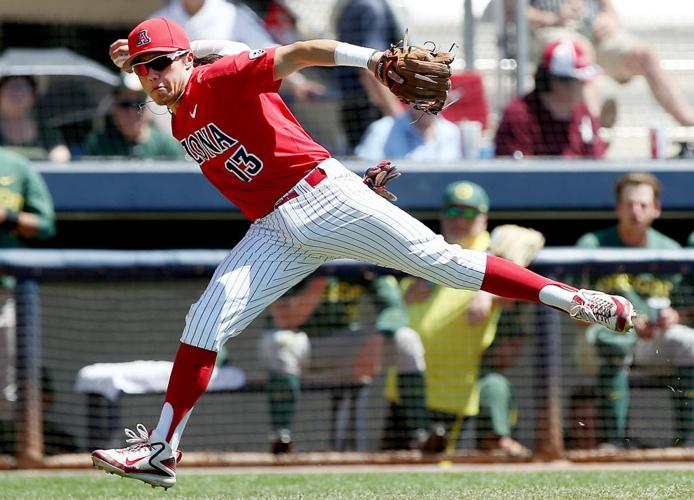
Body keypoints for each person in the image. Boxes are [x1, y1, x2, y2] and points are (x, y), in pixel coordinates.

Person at [91, 17, 634, 489]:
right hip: (275, 229)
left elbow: (301, 52)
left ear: (187, 58)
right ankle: (161, 450)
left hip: (321, 194)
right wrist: (133, 56)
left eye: (162, 62)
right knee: (205, 320)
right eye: (144, 69)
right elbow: (164, 65)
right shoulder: (175, 99)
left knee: (446, 263)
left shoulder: (222, 75)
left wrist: (372, 58)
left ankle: (572, 298)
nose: (153, 75)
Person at [385, 181, 530, 456]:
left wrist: (488, 293)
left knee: (441, 477)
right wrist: (404, 298)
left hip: (454, 394)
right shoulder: (427, 248)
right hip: (406, 391)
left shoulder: (492, 254)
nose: (460, 221)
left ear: (483, 219)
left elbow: (529, 238)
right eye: (453, 213)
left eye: (469, 214)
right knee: (388, 476)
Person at [576, 172, 694, 448]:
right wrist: (626, 319)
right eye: (629, 204)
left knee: (690, 342)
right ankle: (612, 442)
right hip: (599, 340)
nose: (635, 211)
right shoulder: (592, 245)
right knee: (612, 340)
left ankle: (688, 443)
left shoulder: (671, 249)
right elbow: (571, 307)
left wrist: (676, 315)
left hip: (651, 340)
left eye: (643, 205)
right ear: (618, 207)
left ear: (656, 209)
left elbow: (685, 306)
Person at [258, 271, 427, 454]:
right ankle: (281, 437)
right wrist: (321, 277)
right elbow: (286, 320)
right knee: (280, 340)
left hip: (344, 345)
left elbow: (395, 308)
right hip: (301, 345)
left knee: (407, 339)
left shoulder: (357, 260)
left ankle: (420, 435)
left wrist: (379, 335)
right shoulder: (296, 256)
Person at [526, 0, 694, 127]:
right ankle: (594, 130)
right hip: (555, 30)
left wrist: (609, 19)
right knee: (579, 54)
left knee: (645, 56)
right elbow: (514, 11)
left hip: (596, 31)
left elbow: (609, 10)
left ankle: (688, 120)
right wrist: (552, 18)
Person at [151, 0, 324, 101]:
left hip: (228, 95)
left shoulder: (229, 12)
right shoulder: (161, 18)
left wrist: (298, 82)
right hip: (179, 99)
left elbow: (265, 47)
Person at [0, 147, 55, 424]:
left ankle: (11, 448)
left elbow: (45, 224)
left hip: (6, 290)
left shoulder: (14, 165)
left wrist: (7, 217)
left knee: (7, 382)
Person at [495, 38, 606, 158]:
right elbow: (516, 172)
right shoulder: (519, 114)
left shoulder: (583, 112)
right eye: (578, 81)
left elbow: (596, 161)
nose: (582, 87)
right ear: (552, 80)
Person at [333, 0, 405, 151]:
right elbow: (371, 66)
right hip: (371, 106)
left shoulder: (356, 6)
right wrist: (398, 118)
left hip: (358, 105)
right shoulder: (370, 7)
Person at [82, 74, 183, 160]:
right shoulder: (99, 143)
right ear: (114, 109)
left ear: (148, 107)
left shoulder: (166, 144)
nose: (132, 111)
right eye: (125, 104)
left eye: (138, 104)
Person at [0, 76, 71, 163]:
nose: (16, 93)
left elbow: (61, 155)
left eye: (22, 88)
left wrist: (60, 156)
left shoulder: (46, 132)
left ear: (33, 96)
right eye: (10, 88)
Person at [355, 108, 462, 161]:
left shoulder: (452, 132)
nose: (429, 104)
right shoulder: (381, 129)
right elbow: (366, 173)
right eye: (422, 94)